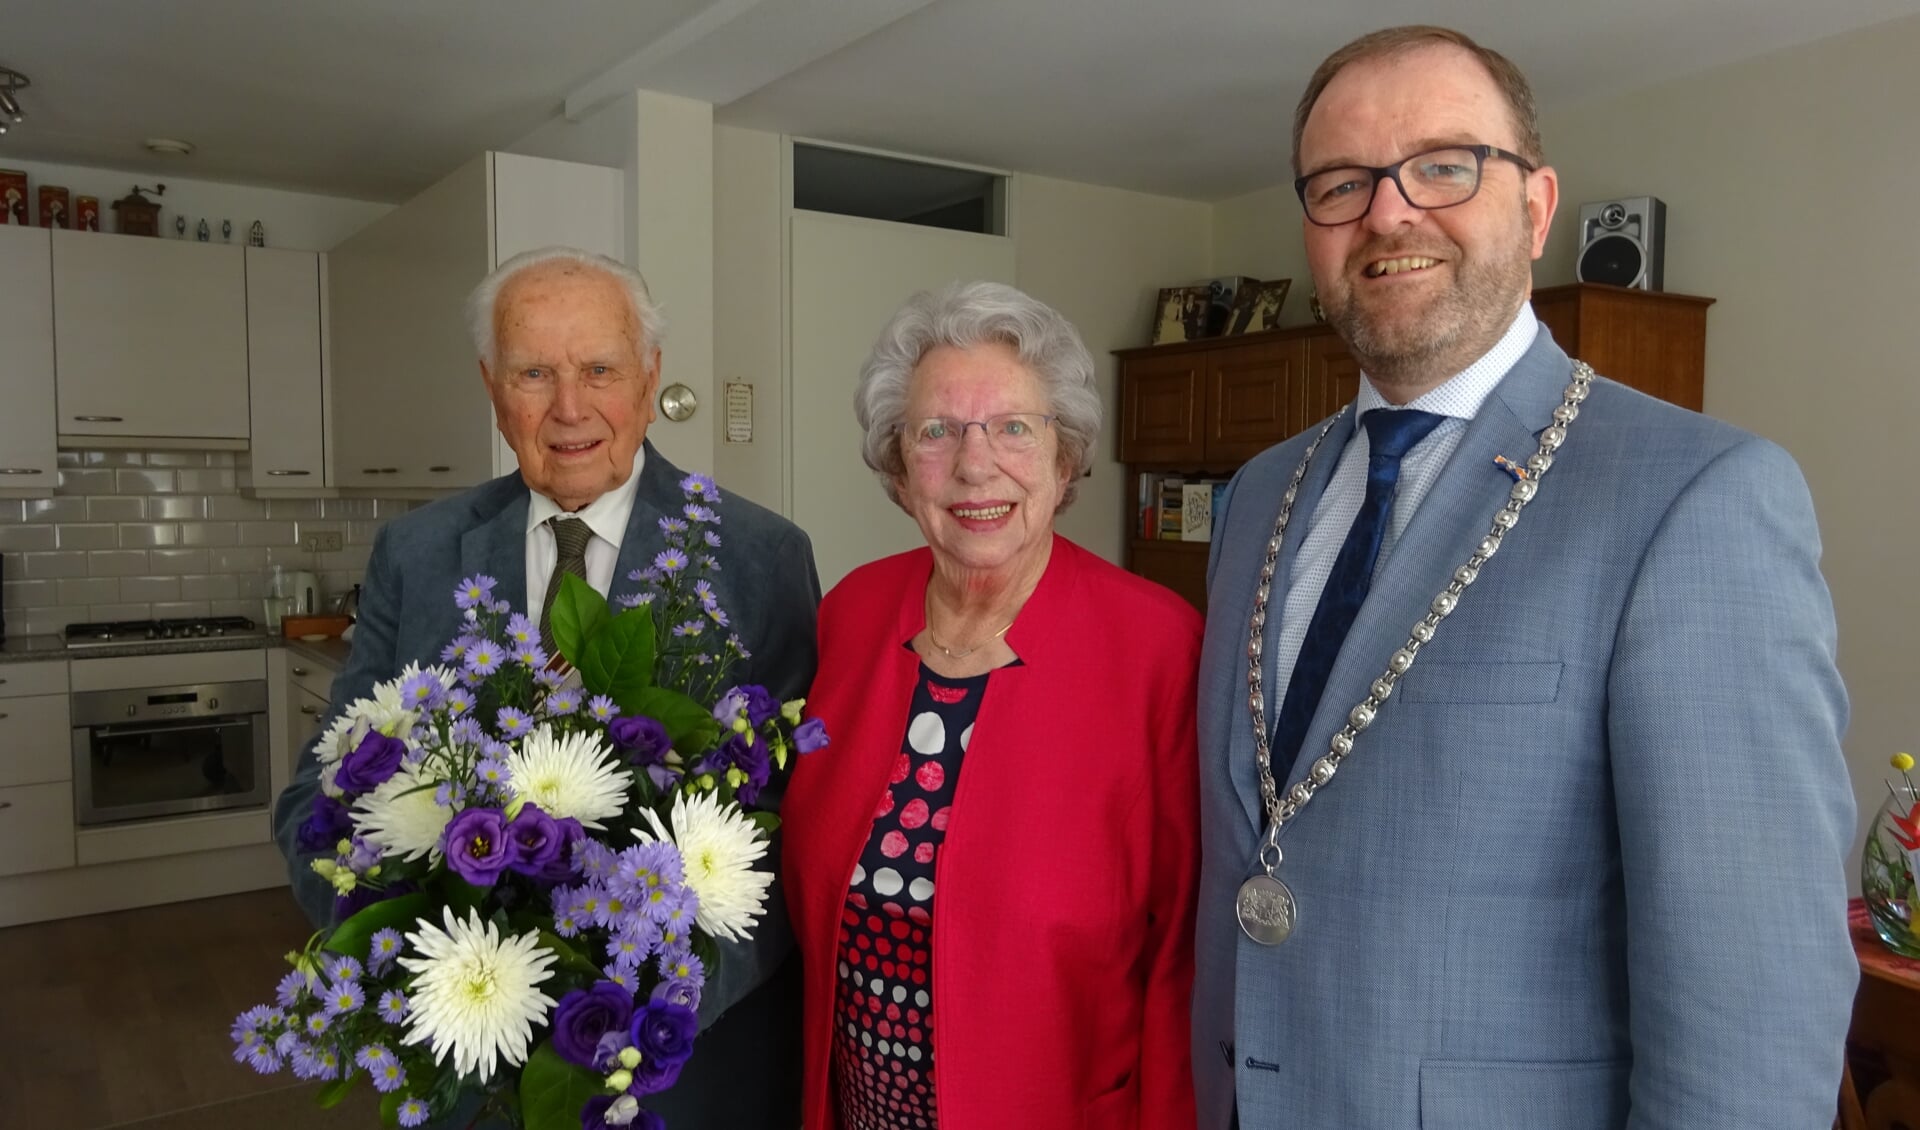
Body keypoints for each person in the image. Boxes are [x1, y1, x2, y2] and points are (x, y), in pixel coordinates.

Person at [1193, 26, 1855, 1130]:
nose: (1389, 213)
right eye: (1341, 183)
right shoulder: (1259, 493)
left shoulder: (1696, 500)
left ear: (1537, 207)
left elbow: (1753, 1008)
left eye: (1445, 165)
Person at [270, 246, 821, 1129]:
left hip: (682, 1073)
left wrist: (658, 1002)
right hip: (466, 1069)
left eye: (599, 368)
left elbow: (796, 830)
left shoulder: (760, 558)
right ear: (493, 386)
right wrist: (404, 959)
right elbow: (318, 795)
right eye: (535, 372)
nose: (569, 408)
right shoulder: (415, 555)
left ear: (649, 378)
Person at [782, 281, 1201, 1128]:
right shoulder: (852, 616)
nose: (976, 464)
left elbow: (1182, 951)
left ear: (1065, 455)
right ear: (900, 470)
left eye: (1013, 427)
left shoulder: (1158, 645)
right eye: (936, 432)